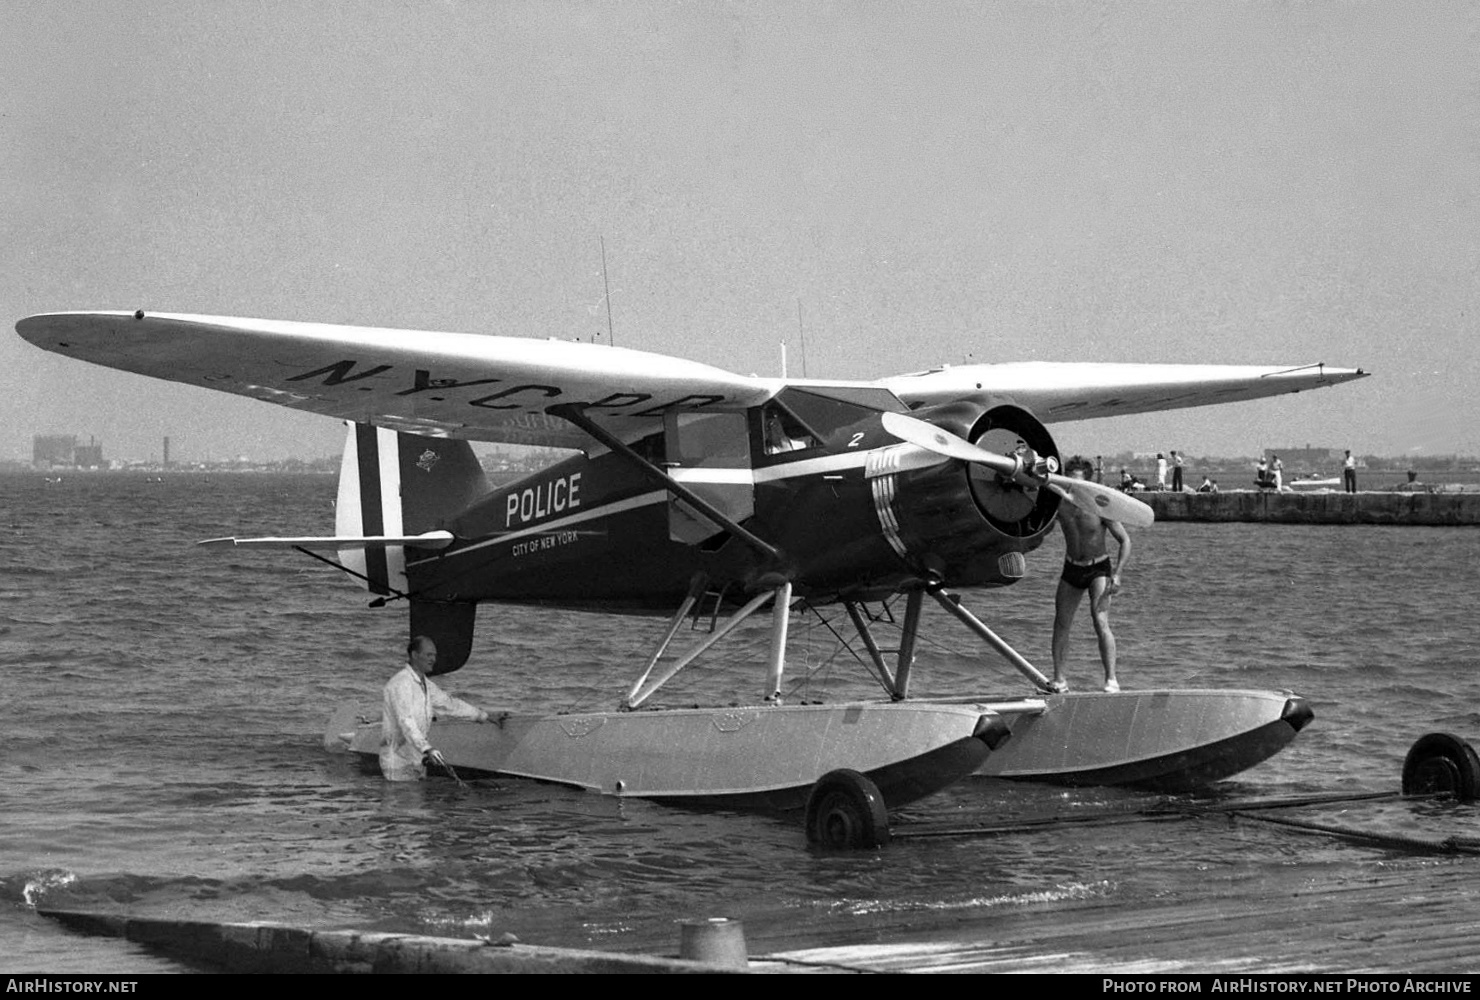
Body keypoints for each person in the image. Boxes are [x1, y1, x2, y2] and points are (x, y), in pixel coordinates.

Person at [1051, 456, 1131, 694]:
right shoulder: (1060, 505)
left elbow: (1125, 540)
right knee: (1061, 623)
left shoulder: (1100, 507)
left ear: (1088, 482)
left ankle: (1111, 680)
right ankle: (1059, 680)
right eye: (1070, 481)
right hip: (1072, 567)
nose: (1074, 487)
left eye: (1079, 482)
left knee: (1100, 622)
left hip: (1099, 569)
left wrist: (1118, 574)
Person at [381, 635, 503, 781]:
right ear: (414, 655)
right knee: (407, 800)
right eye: (429, 654)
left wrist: (483, 716)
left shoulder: (424, 683)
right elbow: (406, 722)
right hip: (398, 762)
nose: (433, 659)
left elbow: (449, 704)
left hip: (416, 758)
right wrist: (427, 748)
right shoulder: (401, 684)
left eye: (434, 655)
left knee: (416, 800)